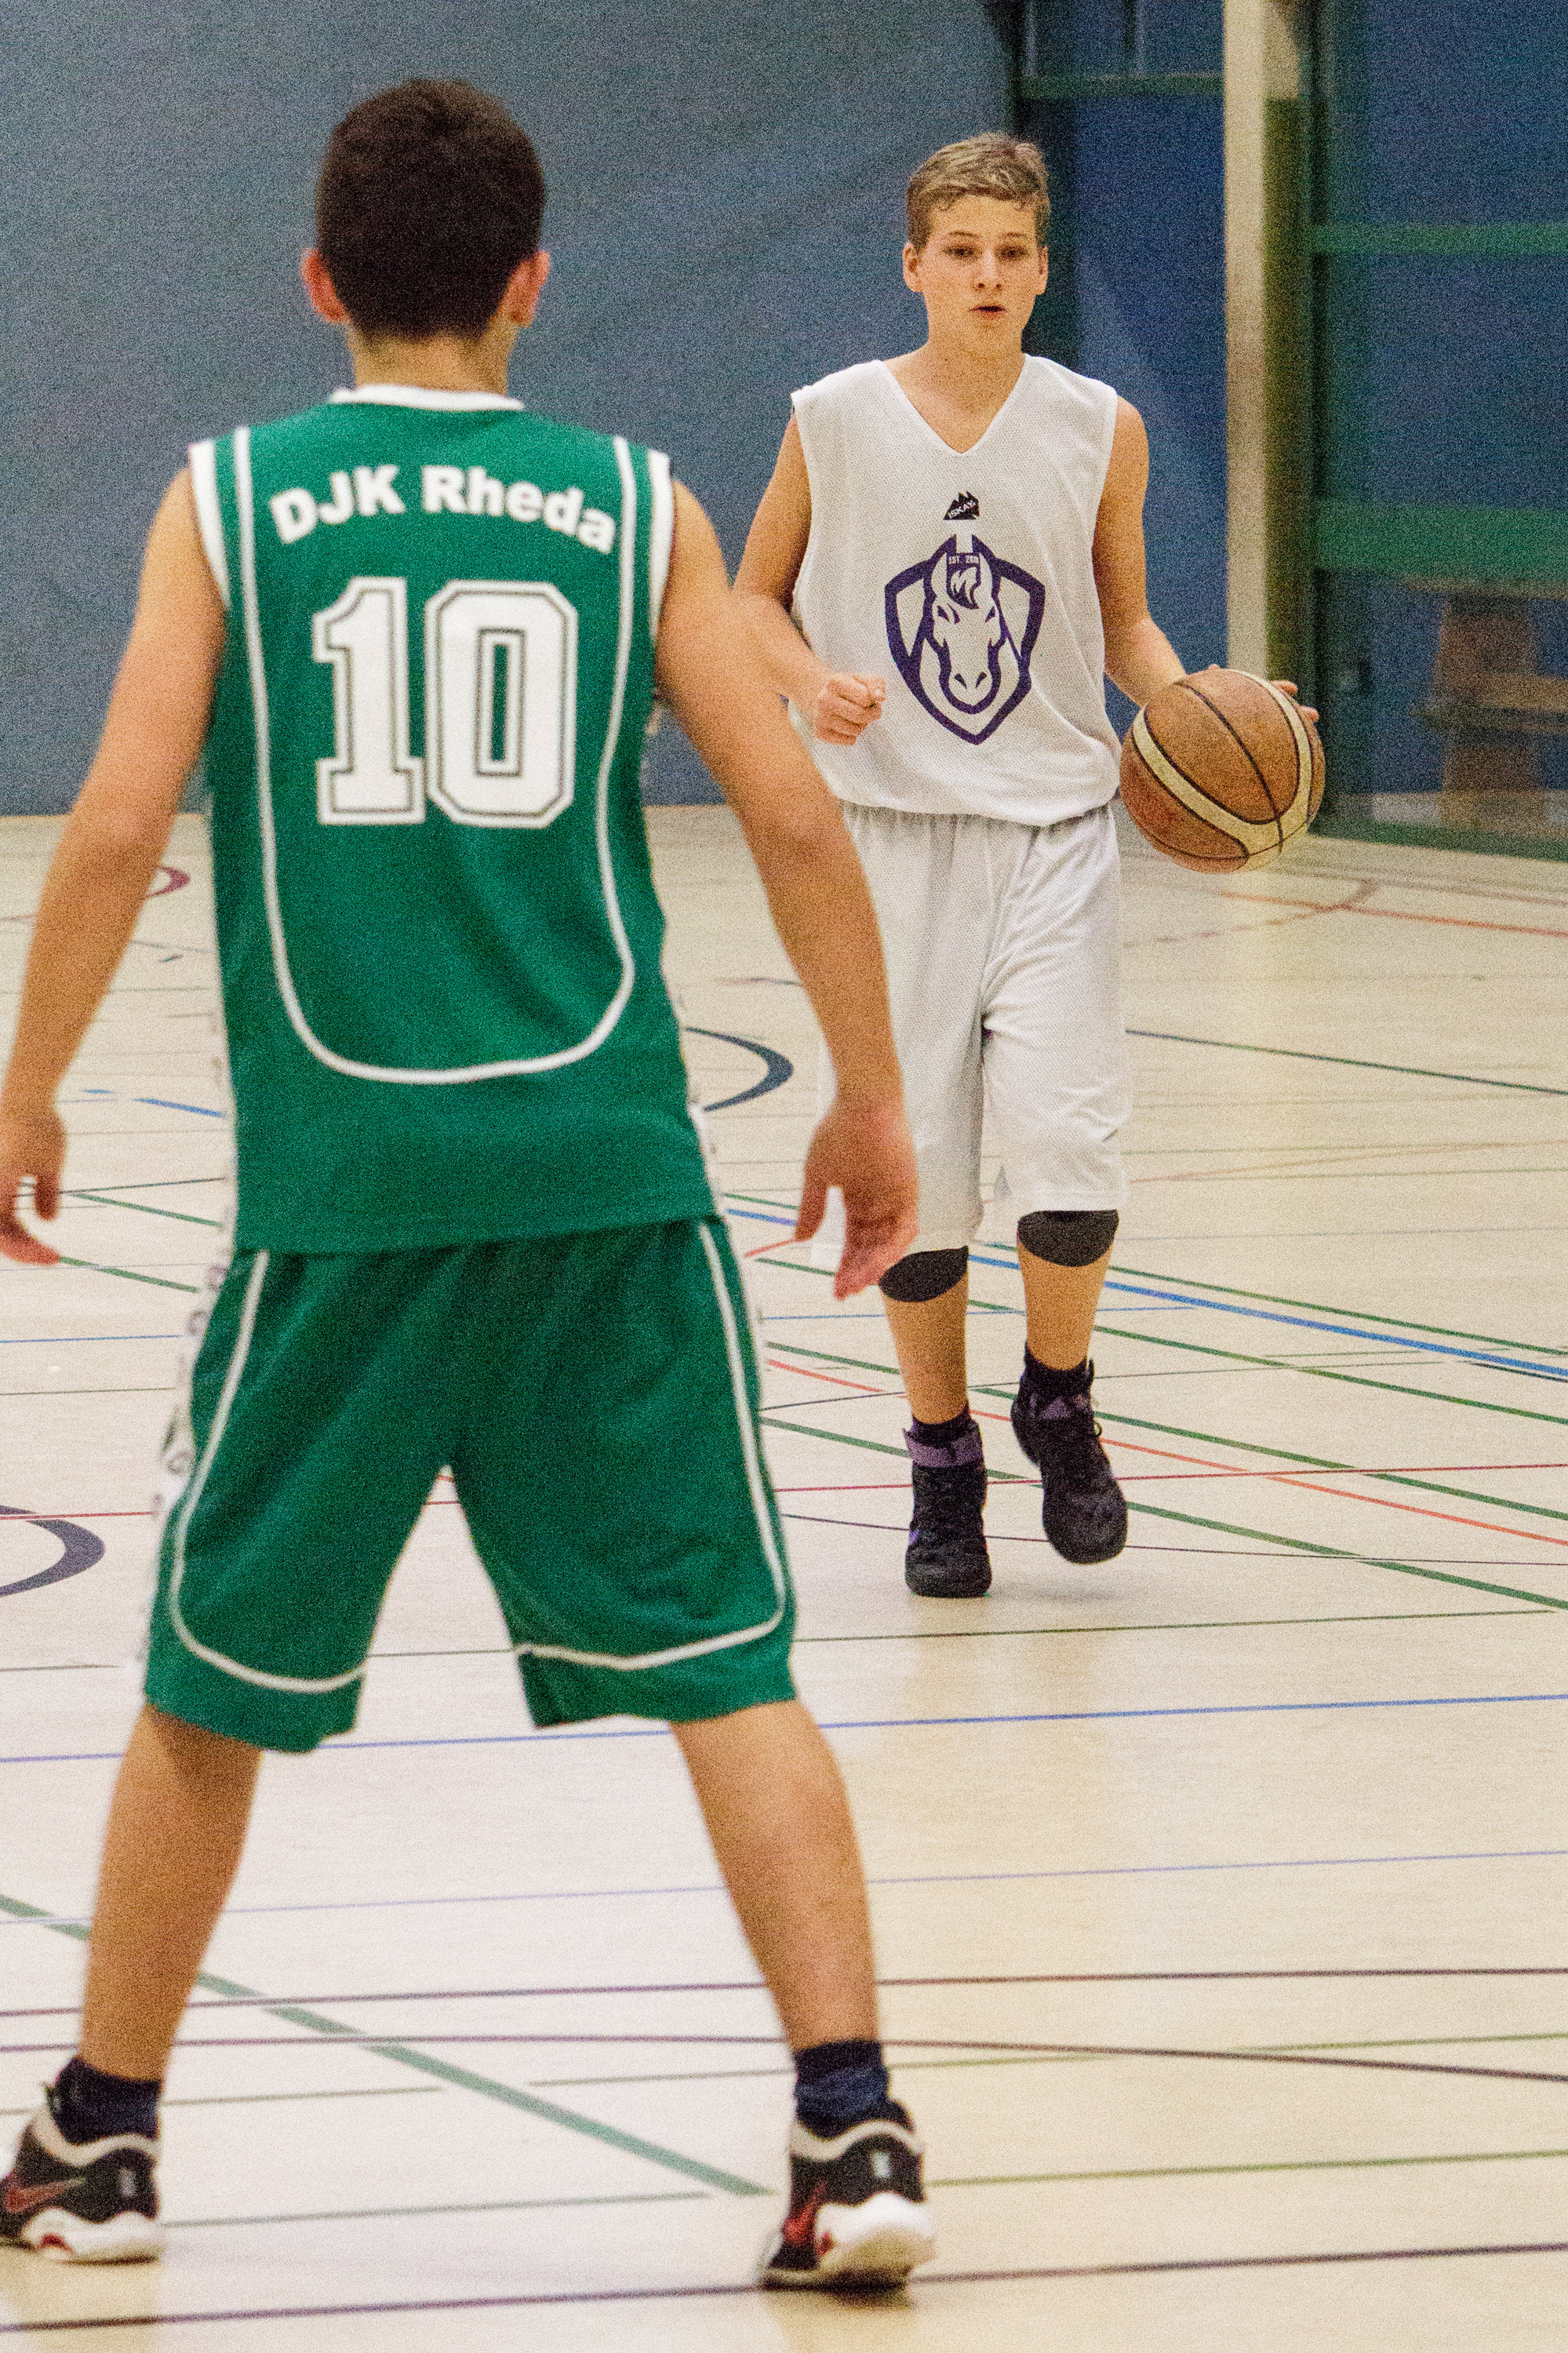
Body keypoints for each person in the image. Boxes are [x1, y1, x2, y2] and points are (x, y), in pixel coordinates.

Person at [0, 81, 934, 2293]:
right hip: (608, 1169)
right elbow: (794, 814)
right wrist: (870, 1100)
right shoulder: (632, 501)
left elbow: (118, 821)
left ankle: (105, 2138)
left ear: (319, 280)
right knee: (729, 1662)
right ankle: (855, 2124)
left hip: (348, 1195)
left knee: (213, 1682)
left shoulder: (231, 497)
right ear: (530, 285)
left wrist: (23, 1088)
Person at [739, 133, 1280, 1599]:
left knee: (1072, 1157)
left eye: (1013, 253)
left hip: (1055, 832)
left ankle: (1059, 1394)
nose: (988, 274)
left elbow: (1123, 626)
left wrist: (1199, 708)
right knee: (921, 1181)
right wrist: (808, 681)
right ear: (914, 265)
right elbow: (749, 600)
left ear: (1042, 270)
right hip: (890, 837)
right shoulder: (834, 418)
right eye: (962, 251)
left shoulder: (1101, 424)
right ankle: (942, 1457)